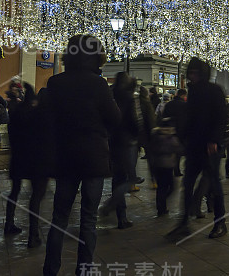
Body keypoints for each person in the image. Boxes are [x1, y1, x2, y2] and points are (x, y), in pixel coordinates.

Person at [43, 35, 121, 276]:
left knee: (59, 217)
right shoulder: (98, 84)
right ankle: (84, 269)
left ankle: (50, 269)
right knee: (88, 219)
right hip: (93, 158)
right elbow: (115, 119)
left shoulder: (55, 83)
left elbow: (47, 120)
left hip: (65, 157)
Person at [167, 57, 229, 241]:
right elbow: (190, 117)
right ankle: (184, 222)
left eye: (195, 73)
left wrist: (214, 140)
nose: (192, 76)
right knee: (187, 184)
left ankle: (220, 223)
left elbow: (220, 118)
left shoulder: (214, 90)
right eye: (190, 73)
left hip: (210, 146)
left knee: (215, 185)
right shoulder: (192, 91)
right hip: (194, 145)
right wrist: (182, 138)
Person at [5, 82, 52, 248]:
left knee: (14, 192)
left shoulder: (17, 114)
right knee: (36, 198)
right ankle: (33, 235)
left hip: (18, 158)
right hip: (38, 162)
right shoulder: (45, 116)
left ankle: (8, 223)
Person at [101, 72, 143, 229]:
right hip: (127, 141)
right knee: (130, 178)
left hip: (113, 140)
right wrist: (137, 134)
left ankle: (121, 217)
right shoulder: (129, 97)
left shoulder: (111, 94)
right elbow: (134, 119)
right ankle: (111, 205)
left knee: (117, 177)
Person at [147, 117, 183, 216]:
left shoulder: (155, 135)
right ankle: (162, 203)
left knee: (161, 187)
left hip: (157, 165)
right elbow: (179, 148)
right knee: (171, 186)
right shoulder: (171, 136)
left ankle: (161, 207)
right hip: (168, 166)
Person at [162, 88, 187, 176]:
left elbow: (163, 117)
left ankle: (169, 170)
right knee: (178, 152)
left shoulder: (169, 104)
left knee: (169, 152)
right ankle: (177, 170)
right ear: (183, 95)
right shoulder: (184, 105)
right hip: (180, 131)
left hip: (169, 131)